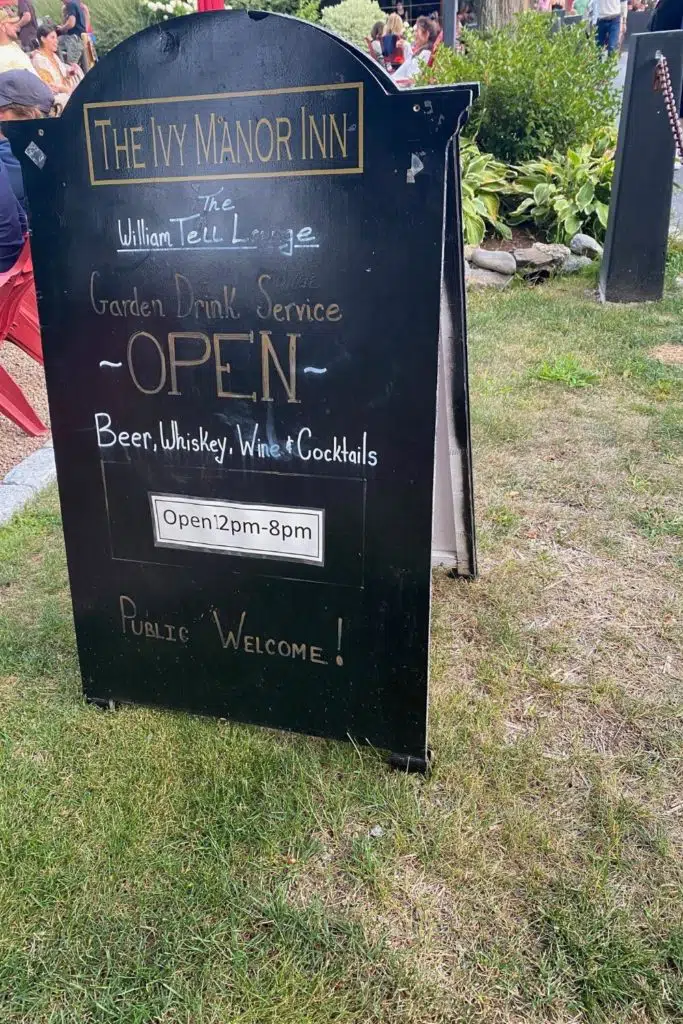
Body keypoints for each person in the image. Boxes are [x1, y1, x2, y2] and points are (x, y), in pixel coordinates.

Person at [32, 24, 82, 111]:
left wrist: (70, 73)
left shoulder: (54, 56)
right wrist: (69, 90)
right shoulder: (39, 59)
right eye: (52, 38)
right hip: (57, 99)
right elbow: (51, 86)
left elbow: (63, 78)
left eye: (56, 38)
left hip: (67, 93)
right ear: (43, 39)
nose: (56, 41)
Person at [392, 15, 438, 82]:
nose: (414, 34)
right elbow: (410, 67)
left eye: (416, 31)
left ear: (426, 34)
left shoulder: (425, 53)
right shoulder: (422, 52)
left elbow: (412, 79)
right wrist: (406, 47)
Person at [0, 10, 38, 75]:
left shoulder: (13, 44)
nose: (17, 27)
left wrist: (30, 56)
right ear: (2, 27)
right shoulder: (2, 57)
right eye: (12, 24)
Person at [57, 0, 87, 69]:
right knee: (56, 42)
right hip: (78, 37)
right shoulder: (76, 3)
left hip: (75, 38)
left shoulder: (71, 4)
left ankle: (61, 66)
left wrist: (62, 28)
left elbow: (71, 23)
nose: (62, 3)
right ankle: (61, 65)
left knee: (72, 66)